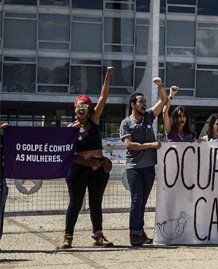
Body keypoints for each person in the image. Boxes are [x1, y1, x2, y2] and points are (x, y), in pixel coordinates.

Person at [60, 66, 115, 249]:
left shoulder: (94, 120)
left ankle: (98, 236)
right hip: (78, 169)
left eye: (85, 106)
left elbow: (103, 96)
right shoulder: (70, 130)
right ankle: (68, 237)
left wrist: (108, 75)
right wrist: (69, 132)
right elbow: (66, 152)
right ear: (75, 109)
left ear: (89, 108)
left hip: (98, 169)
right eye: (79, 106)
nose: (82, 109)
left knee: (95, 203)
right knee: (75, 203)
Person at [120, 76, 171, 247]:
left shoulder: (148, 117)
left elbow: (164, 100)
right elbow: (129, 145)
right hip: (134, 168)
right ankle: (134, 234)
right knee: (136, 199)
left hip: (149, 168)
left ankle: (140, 232)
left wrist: (160, 86)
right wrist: (150, 145)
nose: (144, 104)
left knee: (142, 201)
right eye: (141, 101)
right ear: (133, 104)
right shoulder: (126, 123)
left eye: (145, 101)